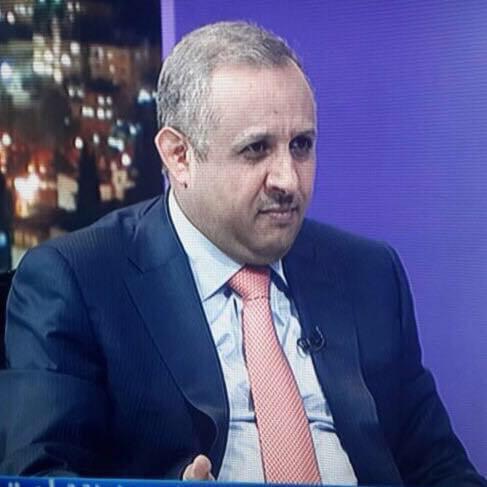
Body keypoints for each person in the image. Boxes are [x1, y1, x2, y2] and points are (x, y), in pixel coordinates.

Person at [0, 21, 485, 486]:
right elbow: (42, 475)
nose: (288, 180)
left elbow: (439, 466)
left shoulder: (370, 273)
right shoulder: (77, 281)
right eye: (256, 149)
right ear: (179, 156)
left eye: (301, 145)